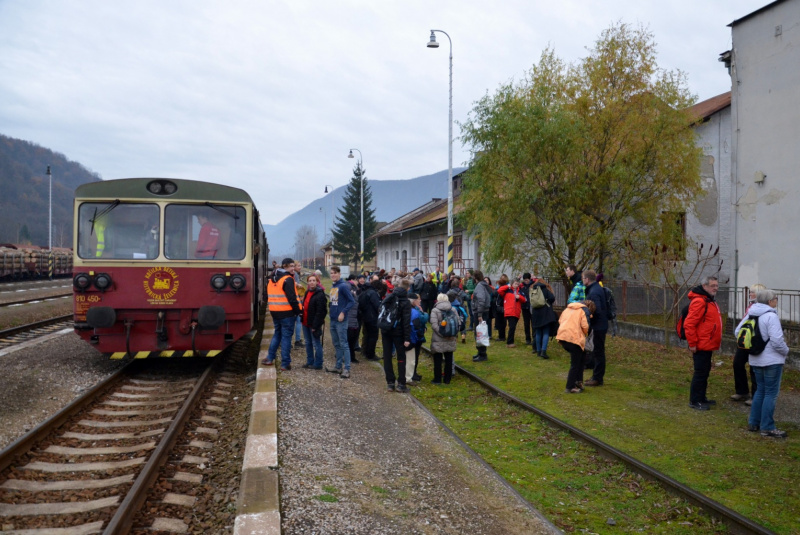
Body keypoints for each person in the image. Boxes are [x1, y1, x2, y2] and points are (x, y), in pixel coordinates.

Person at [735, 289, 789, 438]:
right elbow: (777, 341)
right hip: (772, 360)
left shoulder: (751, 313)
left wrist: (752, 345)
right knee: (771, 393)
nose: (776, 301)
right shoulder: (771, 316)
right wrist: (786, 351)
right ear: (770, 301)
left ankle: (754, 423)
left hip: (755, 358)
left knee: (760, 391)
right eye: (775, 298)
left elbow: (737, 332)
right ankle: (767, 427)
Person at [684, 275, 723, 410]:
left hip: (707, 344)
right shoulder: (700, 301)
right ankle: (695, 401)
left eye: (717, 286)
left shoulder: (708, 300)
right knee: (700, 372)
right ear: (705, 286)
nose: (715, 288)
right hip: (701, 344)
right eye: (713, 286)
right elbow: (689, 324)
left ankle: (701, 398)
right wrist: (692, 343)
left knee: (704, 372)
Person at [263, 258, 302, 371]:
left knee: (277, 334)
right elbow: (292, 298)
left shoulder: (272, 280)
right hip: (287, 313)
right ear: (284, 266)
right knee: (286, 337)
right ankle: (285, 364)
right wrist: (298, 311)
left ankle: (270, 358)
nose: (293, 268)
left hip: (275, 312)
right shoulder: (287, 279)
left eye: (293, 266)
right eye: (290, 266)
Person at [731, 284, 765, 404]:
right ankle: (742, 391)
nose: (750, 294)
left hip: (754, 341)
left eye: (752, 292)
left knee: (754, 367)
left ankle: (755, 395)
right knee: (737, 363)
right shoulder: (751, 306)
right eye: (750, 292)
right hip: (745, 339)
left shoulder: (761, 308)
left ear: (759, 294)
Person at [557, 300, 595, 393]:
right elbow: (585, 326)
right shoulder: (584, 311)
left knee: (581, 359)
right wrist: (586, 333)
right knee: (575, 364)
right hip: (574, 339)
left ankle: (579, 382)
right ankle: (570, 387)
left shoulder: (568, 309)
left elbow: (560, 320)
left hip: (563, 337)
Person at [381, 279, 413, 392]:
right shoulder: (406, 301)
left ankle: (390, 383)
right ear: (408, 288)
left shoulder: (389, 296)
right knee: (401, 357)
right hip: (398, 332)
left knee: (387, 356)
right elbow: (406, 321)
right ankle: (401, 384)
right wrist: (407, 338)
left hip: (385, 330)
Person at [325, 266, 355, 379]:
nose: (332, 275)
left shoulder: (343, 286)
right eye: (331, 273)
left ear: (339, 274)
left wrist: (343, 312)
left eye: (335, 273)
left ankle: (347, 368)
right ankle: (338, 366)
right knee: (336, 344)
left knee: (343, 344)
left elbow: (351, 301)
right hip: (333, 319)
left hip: (341, 320)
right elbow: (334, 302)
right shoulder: (334, 286)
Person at [583, 270, 609, 387]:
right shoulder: (596, 288)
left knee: (598, 352)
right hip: (600, 324)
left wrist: (589, 316)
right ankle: (596, 376)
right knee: (597, 351)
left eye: (583, 278)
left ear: (587, 279)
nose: (583, 280)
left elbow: (596, 309)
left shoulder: (593, 292)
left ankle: (598, 378)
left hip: (598, 325)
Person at [430, 293, 460, 384]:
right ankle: (447, 379)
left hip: (438, 338)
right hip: (450, 337)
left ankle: (437, 379)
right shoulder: (453, 309)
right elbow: (458, 323)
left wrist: (441, 333)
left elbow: (434, 324)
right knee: (449, 359)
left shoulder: (435, 310)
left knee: (437, 360)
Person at [301, 274, 327, 369]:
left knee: (316, 343)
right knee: (308, 342)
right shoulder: (307, 292)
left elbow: (321, 312)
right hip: (305, 322)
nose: (311, 282)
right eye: (310, 280)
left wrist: (315, 326)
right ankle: (310, 361)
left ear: (317, 282)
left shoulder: (320, 294)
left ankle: (318, 363)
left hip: (313, 323)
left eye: (313, 280)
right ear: (308, 282)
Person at [530, 279, 558, 359]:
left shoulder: (533, 290)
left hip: (536, 313)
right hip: (545, 313)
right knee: (545, 332)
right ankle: (543, 351)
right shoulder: (545, 289)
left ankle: (538, 351)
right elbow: (552, 298)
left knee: (538, 332)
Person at [406, 292, 428, 384]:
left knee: (408, 358)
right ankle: (409, 377)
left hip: (408, 336)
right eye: (417, 299)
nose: (419, 301)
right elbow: (418, 323)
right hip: (412, 337)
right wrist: (425, 314)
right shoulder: (415, 311)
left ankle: (409, 375)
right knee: (411, 359)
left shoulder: (407, 309)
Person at [358, 279, 382, 361]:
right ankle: (371, 354)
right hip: (372, 317)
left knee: (367, 335)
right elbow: (377, 305)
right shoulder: (373, 293)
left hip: (365, 317)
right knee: (373, 336)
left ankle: (365, 351)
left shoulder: (364, 292)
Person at [498, 279, 526, 347]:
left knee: (513, 327)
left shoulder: (520, 291)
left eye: (517, 284)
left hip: (516, 311)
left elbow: (524, 300)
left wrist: (519, 297)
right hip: (510, 311)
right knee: (512, 326)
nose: (516, 285)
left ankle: (510, 341)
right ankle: (510, 342)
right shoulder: (508, 290)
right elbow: (499, 290)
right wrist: (508, 286)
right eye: (515, 283)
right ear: (512, 284)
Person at [471, 270, 492, 362]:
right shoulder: (484, 285)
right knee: (480, 332)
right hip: (484, 311)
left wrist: (479, 314)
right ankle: (480, 352)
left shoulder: (479, 286)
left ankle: (482, 354)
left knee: (480, 333)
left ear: (475, 278)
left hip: (481, 312)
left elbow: (481, 300)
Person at [346, 275, 361, 364]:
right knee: (350, 339)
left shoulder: (354, 289)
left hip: (353, 317)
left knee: (351, 338)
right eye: (357, 280)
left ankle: (350, 356)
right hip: (351, 317)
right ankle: (350, 357)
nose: (358, 282)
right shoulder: (349, 287)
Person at [493, 275, 509, 342]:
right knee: (500, 322)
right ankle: (501, 336)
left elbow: (496, 293)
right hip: (500, 307)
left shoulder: (502, 290)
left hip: (501, 307)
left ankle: (502, 337)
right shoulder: (503, 289)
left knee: (501, 322)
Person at [519, 273, 534, 345]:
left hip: (532, 307)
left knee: (533, 323)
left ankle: (534, 338)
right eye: (525, 280)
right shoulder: (522, 288)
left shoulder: (533, 286)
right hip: (525, 308)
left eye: (527, 280)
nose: (526, 281)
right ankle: (528, 339)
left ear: (530, 279)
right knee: (526, 324)